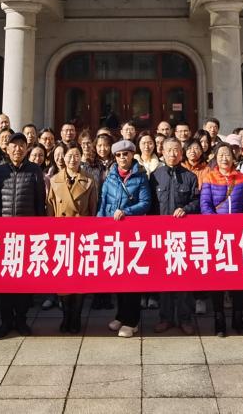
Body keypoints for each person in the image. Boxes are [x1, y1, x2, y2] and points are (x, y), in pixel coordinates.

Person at [0, 133, 46, 337]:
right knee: (5, 281)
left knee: (23, 281)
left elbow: (39, 203)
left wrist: (39, 232)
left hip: (27, 235)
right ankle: (6, 321)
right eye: (14, 145)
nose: (18, 149)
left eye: (22, 145)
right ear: (6, 149)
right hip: (4, 236)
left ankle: (21, 320)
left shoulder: (34, 171)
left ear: (26, 149)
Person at [98, 139, 152, 338]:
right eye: (119, 155)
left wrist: (126, 212)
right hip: (113, 233)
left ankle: (132, 321)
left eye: (126, 154)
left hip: (133, 234)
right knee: (118, 276)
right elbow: (103, 203)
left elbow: (145, 203)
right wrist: (99, 226)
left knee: (132, 278)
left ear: (132, 155)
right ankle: (121, 315)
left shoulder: (141, 177)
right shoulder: (110, 177)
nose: (122, 158)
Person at [201, 142, 243, 336]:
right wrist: (217, 225)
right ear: (215, 158)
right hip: (217, 236)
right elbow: (205, 205)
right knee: (218, 279)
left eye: (228, 155)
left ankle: (238, 318)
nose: (224, 158)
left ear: (234, 158)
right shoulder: (209, 177)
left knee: (239, 279)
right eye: (221, 155)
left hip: (239, 235)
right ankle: (219, 320)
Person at [150, 137, 200, 335]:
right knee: (164, 280)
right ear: (162, 152)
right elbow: (151, 206)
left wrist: (186, 209)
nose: (173, 153)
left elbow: (197, 201)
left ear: (181, 153)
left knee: (184, 281)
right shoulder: (155, 176)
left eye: (176, 150)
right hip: (161, 236)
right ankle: (165, 318)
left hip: (182, 237)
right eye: (169, 150)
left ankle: (185, 319)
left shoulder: (190, 177)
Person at [47, 145, 97, 332]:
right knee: (62, 279)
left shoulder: (89, 180)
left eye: (76, 155)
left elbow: (93, 210)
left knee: (79, 279)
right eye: (69, 156)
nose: (72, 159)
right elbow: (50, 209)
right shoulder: (54, 180)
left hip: (82, 236)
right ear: (63, 158)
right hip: (61, 236)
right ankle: (65, 316)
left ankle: (76, 317)